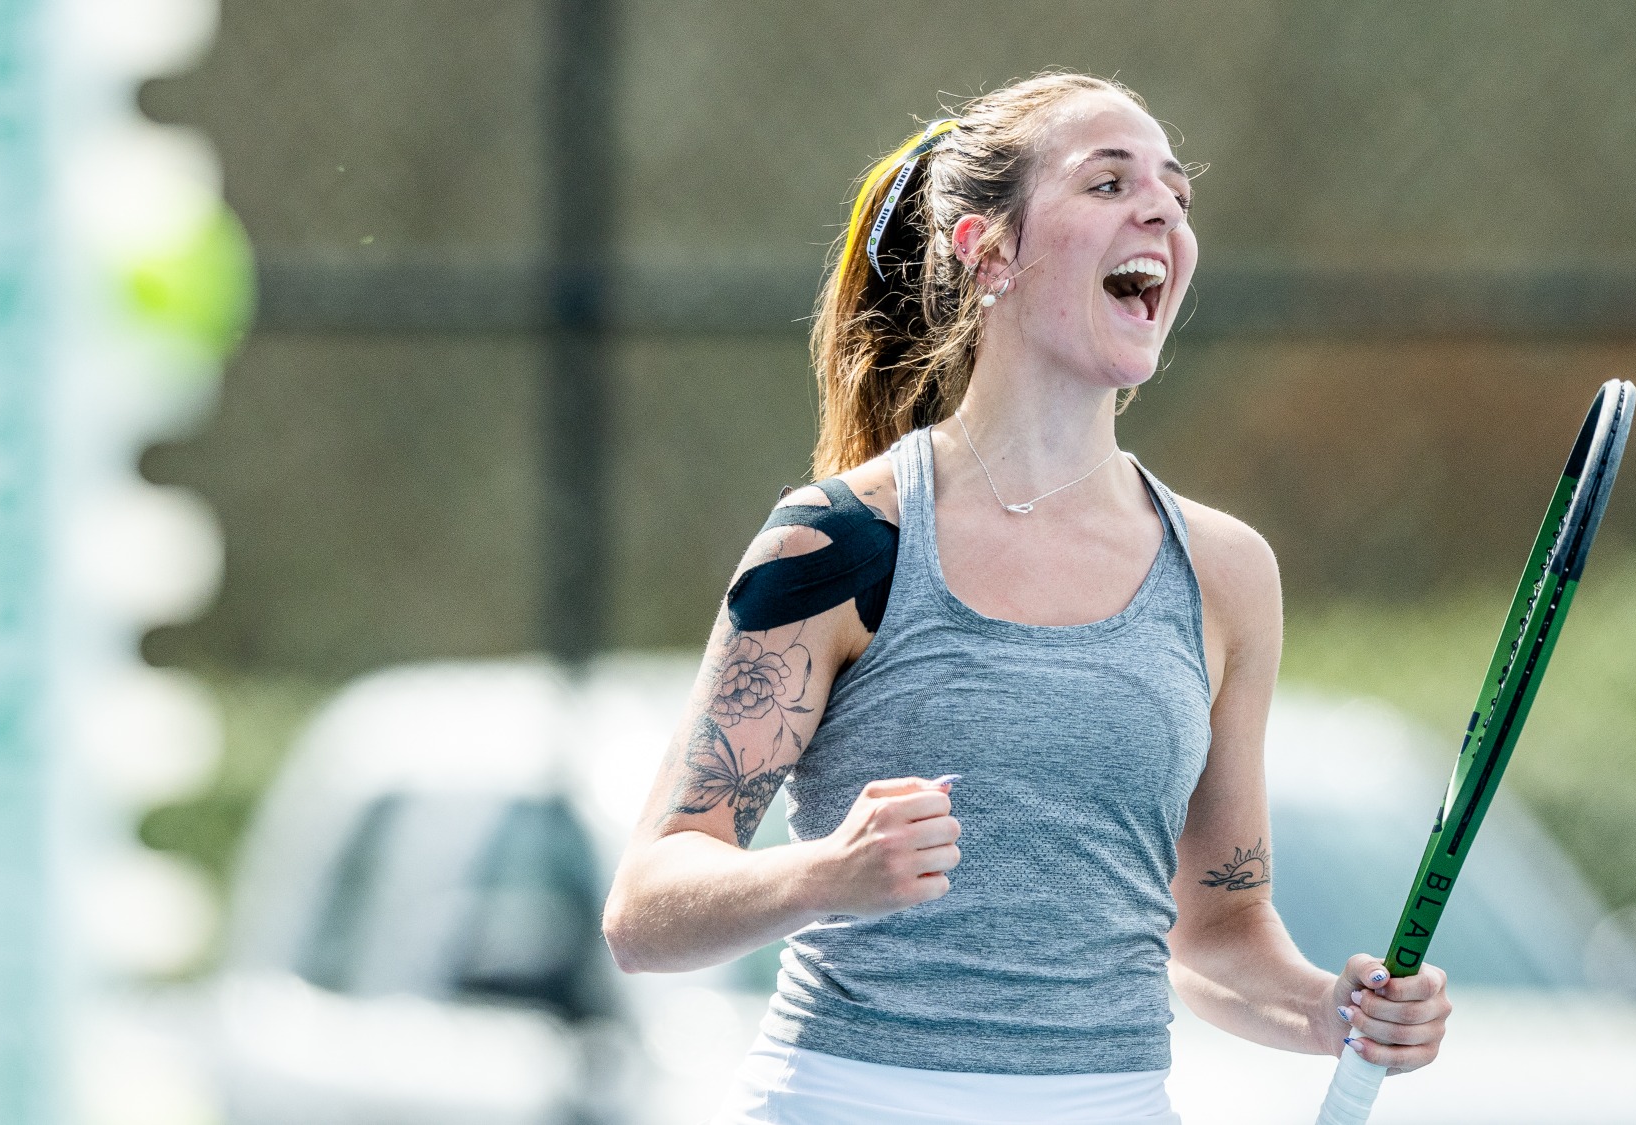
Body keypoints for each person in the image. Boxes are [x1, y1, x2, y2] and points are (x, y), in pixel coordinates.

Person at [602, 71, 1452, 1124]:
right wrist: (822, 874)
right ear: (986, 251)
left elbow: (1219, 929)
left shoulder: (1226, 571)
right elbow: (644, 908)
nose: (1159, 209)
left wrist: (1330, 1010)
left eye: (1174, 196)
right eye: (1107, 182)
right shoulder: (839, 540)